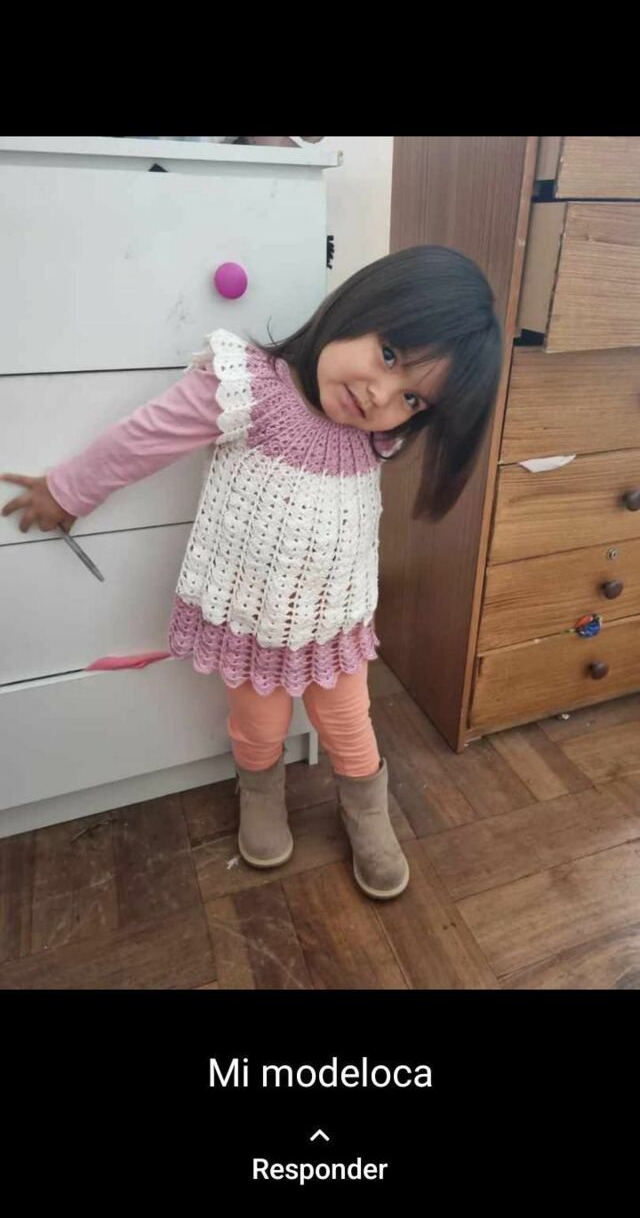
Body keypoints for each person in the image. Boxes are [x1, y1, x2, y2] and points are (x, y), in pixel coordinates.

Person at [0, 247, 503, 900]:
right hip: (250, 620)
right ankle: (261, 795)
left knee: (349, 722)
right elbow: (144, 439)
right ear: (358, 307)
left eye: (411, 397)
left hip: (335, 622)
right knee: (258, 725)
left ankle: (368, 812)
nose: (381, 394)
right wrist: (69, 488)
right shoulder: (247, 387)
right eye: (388, 355)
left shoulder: (380, 435)